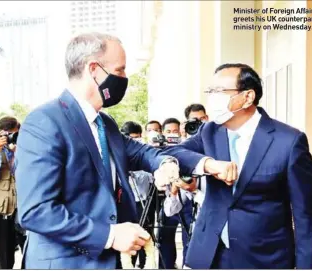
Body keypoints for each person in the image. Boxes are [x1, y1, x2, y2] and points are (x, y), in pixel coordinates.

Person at [14, 32, 234, 269]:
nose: (124, 78)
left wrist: (165, 164)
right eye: (119, 70)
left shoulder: (104, 124)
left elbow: (142, 153)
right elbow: (36, 211)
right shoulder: (45, 122)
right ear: (94, 69)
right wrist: (109, 236)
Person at [160, 63, 312, 269]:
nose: (212, 98)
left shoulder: (288, 142)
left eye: (219, 91)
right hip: (209, 254)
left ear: (248, 97)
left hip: (263, 257)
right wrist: (208, 164)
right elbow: (171, 153)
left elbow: (306, 215)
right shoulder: (210, 132)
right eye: (210, 91)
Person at [0, 116, 26, 269]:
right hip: (1, 210)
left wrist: (18, 153)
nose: (12, 138)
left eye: (15, 134)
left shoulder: (25, 147)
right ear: (0, 133)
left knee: (28, 253)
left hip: (23, 207)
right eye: (9, 134)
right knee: (5, 257)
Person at [157, 118, 194, 269]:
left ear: (181, 132)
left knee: (189, 242)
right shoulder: (158, 153)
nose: (172, 135)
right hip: (168, 200)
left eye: (175, 132)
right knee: (164, 239)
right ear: (162, 133)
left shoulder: (189, 150)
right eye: (168, 132)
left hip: (189, 203)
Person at [120, 121, 157, 269]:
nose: (134, 141)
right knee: (130, 238)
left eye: (137, 137)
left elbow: (150, 176)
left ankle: (145, 264)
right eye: (131, 138)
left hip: (146, 200)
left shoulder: (143, 151)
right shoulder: (120, 153)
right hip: (128, 201)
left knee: (146, 235)